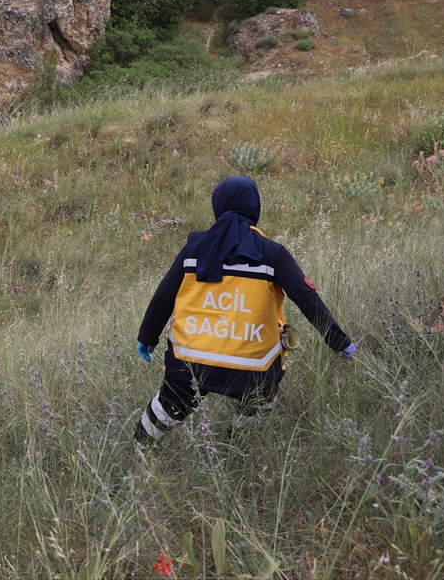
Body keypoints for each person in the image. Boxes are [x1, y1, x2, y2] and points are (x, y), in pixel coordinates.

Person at [133, 176, 356, 444]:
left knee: (168, 407)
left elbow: (164, 295)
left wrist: (147, 338)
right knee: (256, 406)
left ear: (218, 206)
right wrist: (338, 340)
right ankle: (237, 453)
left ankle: (140, 452)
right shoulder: (272, 253)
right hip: (253, 368)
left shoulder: (193, 249)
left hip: (189, 362)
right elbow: (306, 296)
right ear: (255, 207)